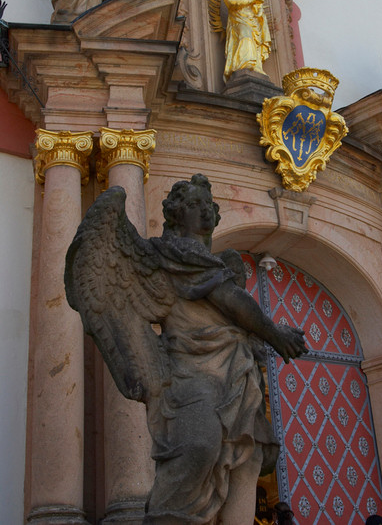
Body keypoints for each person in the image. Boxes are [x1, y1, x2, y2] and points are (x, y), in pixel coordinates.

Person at [65, 174, 307, 525]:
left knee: (246, 458)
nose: (204, 213)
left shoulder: (219, 263)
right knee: (199, 445)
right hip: (193, 372)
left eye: (209, 206)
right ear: (176, 214)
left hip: (235, 369)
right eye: (194, 205)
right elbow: (229, 299)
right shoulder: (173, 255)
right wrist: (275, 333)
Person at [223, 0, 271, 80]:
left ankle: (256, 67)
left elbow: (256, 13)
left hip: (252, 24)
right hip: (238, 23)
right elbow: (233, 2)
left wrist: (260, 14)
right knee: (245, 35)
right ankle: (244, 64)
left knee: (256, 46)